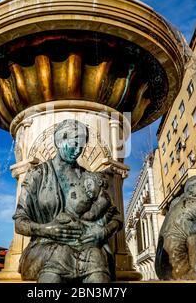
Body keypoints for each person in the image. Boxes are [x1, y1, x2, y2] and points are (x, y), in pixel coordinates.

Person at [13, 119, 122, 283]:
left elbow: (116, 217)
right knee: (53, 273)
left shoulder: (89, 179)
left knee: (99, 273)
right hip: (45, 247)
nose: (78, 150)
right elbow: (20, 222)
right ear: (60, 140)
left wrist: (102, 233)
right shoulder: (37, 175)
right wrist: (46, 229)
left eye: (81, 146)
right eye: (74, 144)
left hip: (86, 247)